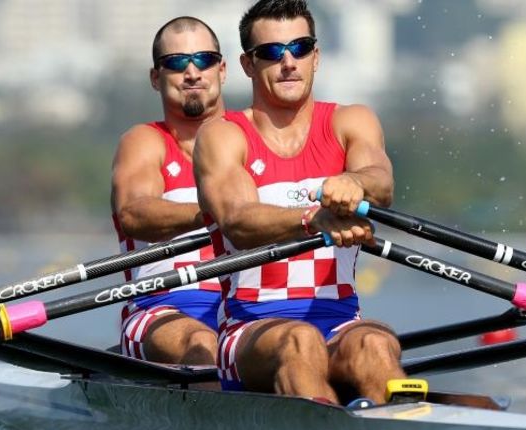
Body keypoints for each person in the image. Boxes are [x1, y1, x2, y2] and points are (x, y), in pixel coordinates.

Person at [194, 0, 407, 404]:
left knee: (377, 346)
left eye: (300, 48)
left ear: (316, 56)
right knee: (300, 341)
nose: (288, 61)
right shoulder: (223, 136)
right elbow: (239, 220)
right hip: (249, 329)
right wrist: (314, 219)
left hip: (342, 320)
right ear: (247, 65)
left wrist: (354, 181)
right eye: (271, 53)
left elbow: (381, 183)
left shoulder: (351, 121)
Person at [111, 16, 227, 365]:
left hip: (247, 307)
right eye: (176, 63)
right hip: (159, 311)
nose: (192, 73)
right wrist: (220, 213)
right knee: (205, 345)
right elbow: (134, 214)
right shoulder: (144, 142)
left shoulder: (251, 140)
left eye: (203, 60)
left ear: (222, 70)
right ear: (155, 78)